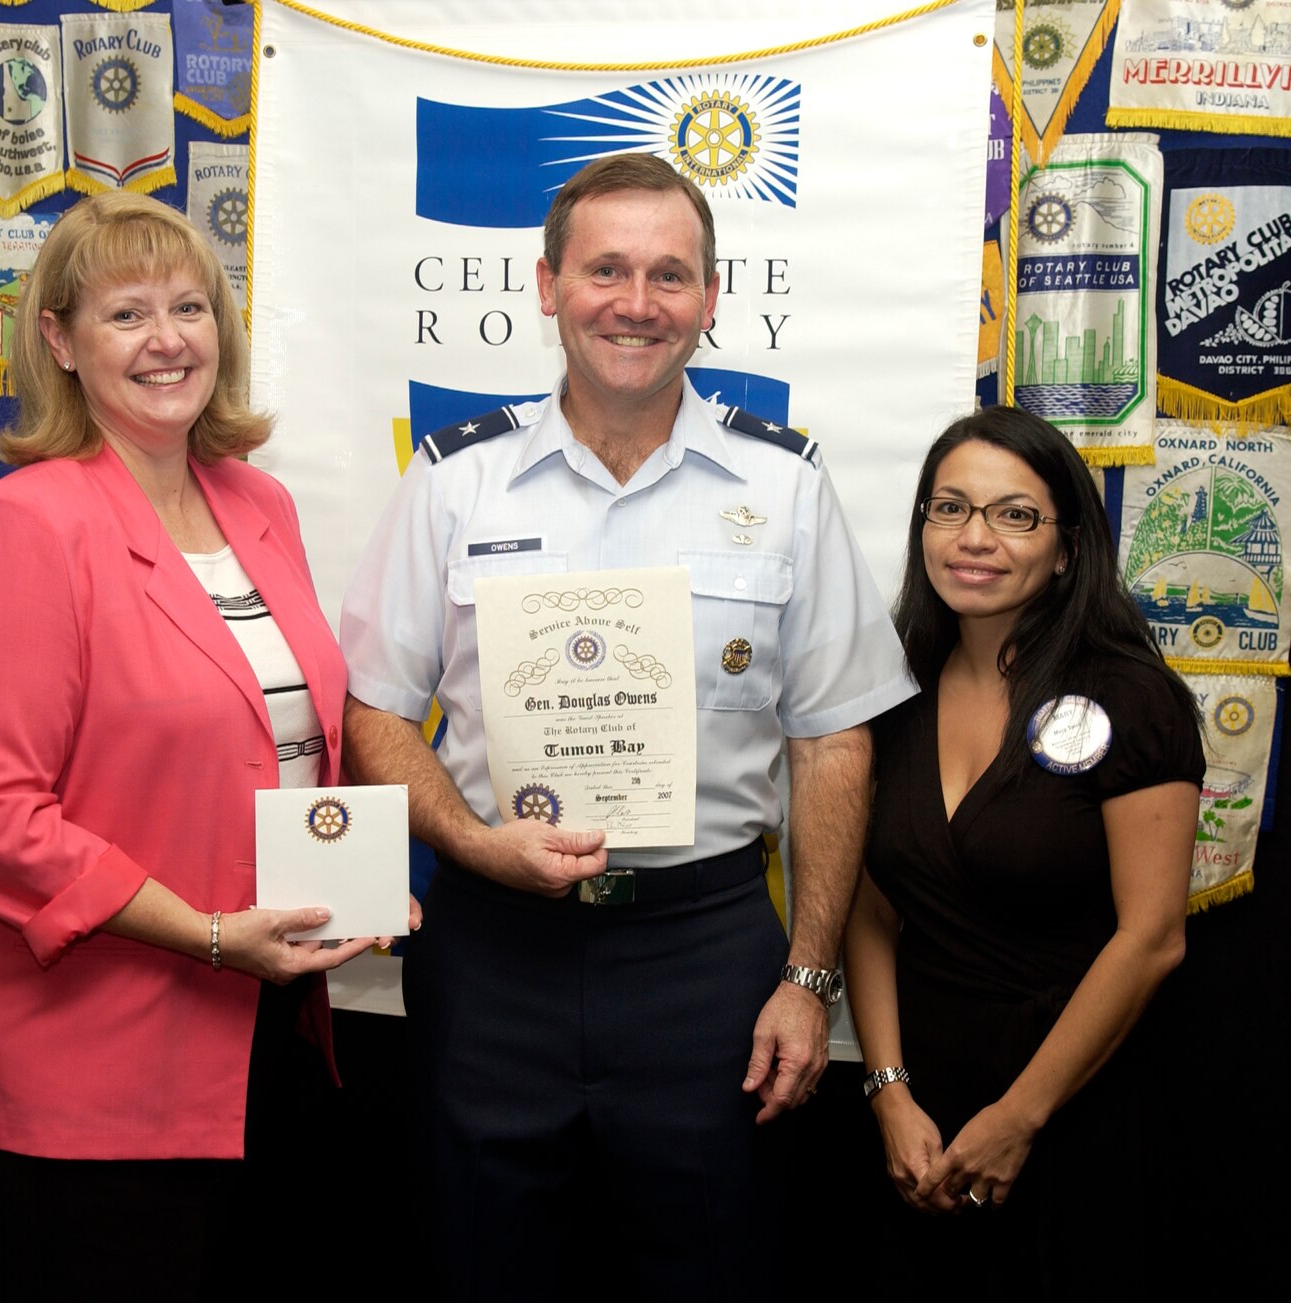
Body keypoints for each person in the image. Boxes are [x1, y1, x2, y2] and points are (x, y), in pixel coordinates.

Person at [340, 152, 915, 1300]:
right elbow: (375, 714)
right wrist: (466, 841)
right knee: (477, 1266)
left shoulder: (786, 485)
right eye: (605, 269)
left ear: (710, 298)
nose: (635, 303)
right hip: (494, 953)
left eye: (668, 275)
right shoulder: (455, 482)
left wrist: (808, 976)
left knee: (716, 1268)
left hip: (702, 956)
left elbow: (832, 739)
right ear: (546, 283)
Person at [0, 190, 409, 1302]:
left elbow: (282, 740)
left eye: (188, 306)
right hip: (92, 1047)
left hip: (264, 1022)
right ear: (58, 339)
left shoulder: (258, 503)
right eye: (126, 312)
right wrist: (203, 933)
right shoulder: (28, 523)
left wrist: (349, 886)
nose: (166, 340)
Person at [844, 407, 1203, 1298]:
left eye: (1015, 514)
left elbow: (1153, 936)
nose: (975, 538)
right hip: (922, 1114)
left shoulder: (1131, 696)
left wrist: (1019, 1115)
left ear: (1069, 546)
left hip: (1076, 1102)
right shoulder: (891, 689)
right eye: (949, 507)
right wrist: (889, 1091)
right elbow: (872, 907)